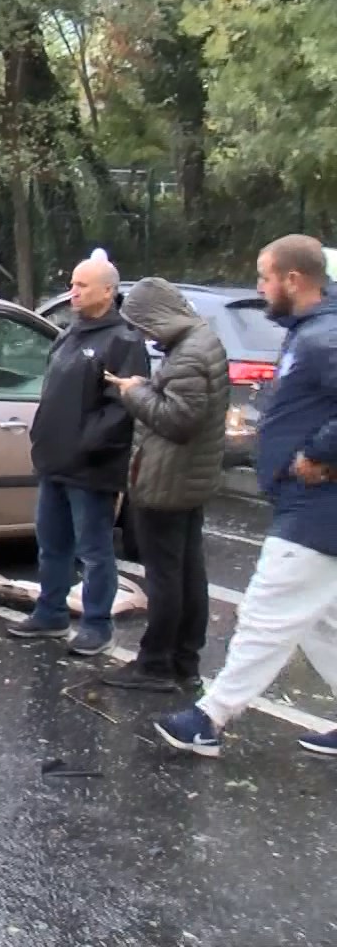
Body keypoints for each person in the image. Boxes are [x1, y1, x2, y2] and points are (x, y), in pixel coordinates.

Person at [157, 236, 337, 758]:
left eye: (265, 277)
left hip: (316, 504)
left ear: (294, 280)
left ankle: (209, 717)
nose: (259, 289)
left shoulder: (324, 335)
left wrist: (319, 452)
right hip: (309, 499)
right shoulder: (315, 330)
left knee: (266, 611)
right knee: (321, 622)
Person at [6, 256, 151, 656]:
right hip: (53, 460)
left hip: (91, 466)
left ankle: (96, 624)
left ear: (108, 291)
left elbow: (123, 405)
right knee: (51, 543)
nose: (73, 292)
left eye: (83, 285)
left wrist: (85, 443)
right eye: (72, 283)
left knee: (93, 550)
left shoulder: (124, 341)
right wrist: (42, 435)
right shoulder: (68, 334)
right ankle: (50, 612)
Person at [100, 278, 228, 692]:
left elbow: (178, 420)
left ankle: (155, 663)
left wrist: (134, 391)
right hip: (188, 477)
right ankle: (185, 662)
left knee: (166, 577)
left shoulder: (189, 355)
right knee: (188, 572)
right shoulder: (201, 342)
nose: (143, 335)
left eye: (142, 325)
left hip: (167, 478)